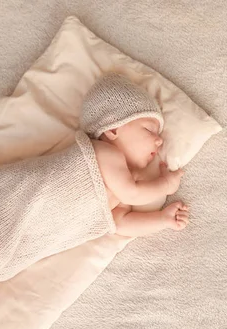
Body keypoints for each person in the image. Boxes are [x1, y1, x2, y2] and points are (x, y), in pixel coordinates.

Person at [81, 73, 190, 237]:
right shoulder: (101, 152)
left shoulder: (121, 181)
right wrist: (165, 185)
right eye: (149, 130)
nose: (159, 141)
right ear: (113, 129)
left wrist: (162, 219)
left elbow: (120, 223)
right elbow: (132, 194)